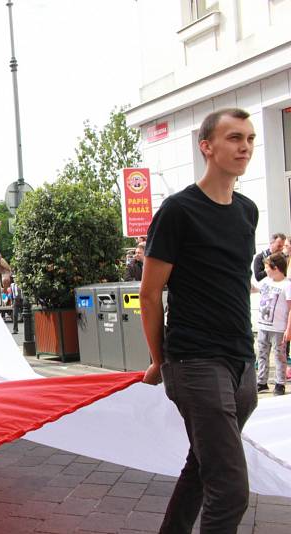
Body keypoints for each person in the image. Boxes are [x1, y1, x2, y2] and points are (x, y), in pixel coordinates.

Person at [140, 107, 258, 533]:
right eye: (233, 138)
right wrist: (160, 360)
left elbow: (235, 282)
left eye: (249, 138)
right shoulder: (178, 211)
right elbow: (150, 295)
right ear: (206, 147)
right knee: (230, 489)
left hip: (241, 364)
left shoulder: (247, 211)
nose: (244, 146)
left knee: (201, 466)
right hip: (195, 361)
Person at [255, 252, 290, 396]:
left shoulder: (287, 285)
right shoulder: (266, 282)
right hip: (263, 325)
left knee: (279, 356)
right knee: (262, 354)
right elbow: (256, 289)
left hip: (278, 328)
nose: (265, 270)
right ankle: (262, 382)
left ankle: (280, 383)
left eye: (267, 267)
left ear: (275, 268)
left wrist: (288, 329)